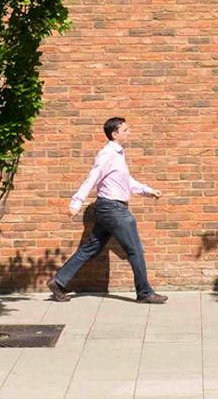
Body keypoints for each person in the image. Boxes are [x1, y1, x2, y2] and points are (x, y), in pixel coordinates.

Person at [49, 116, 166, 303]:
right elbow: (93, 177)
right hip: (113, 209)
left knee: (90, 248)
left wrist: (148, 190)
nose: (129, 133)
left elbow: (125, 182)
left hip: (108, 208)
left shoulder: (118, 154)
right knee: (135, 249)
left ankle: (58, 281)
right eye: (125, 130)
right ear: (115, 134)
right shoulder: (108, 154)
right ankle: (145, 293)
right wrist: (76, 203)